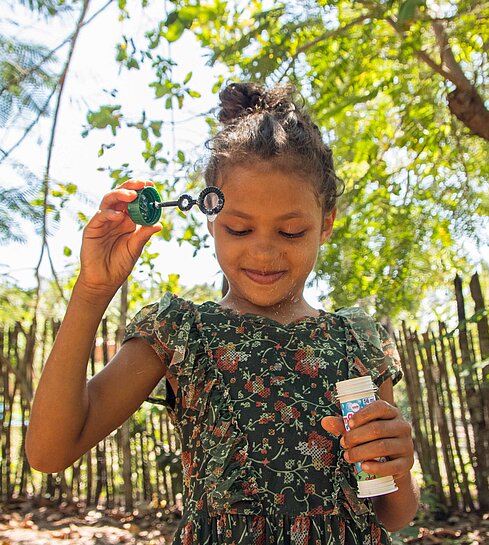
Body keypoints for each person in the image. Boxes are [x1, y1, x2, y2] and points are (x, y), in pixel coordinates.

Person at [26, 82, 419, 544]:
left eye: (291, 232)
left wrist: (397, 461)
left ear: (326, 223)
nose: (264, 250)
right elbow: (49, 451)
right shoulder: (181, 333)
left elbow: (393, 514)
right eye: (239, 228)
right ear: (212, 219)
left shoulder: (356, 341)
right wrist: (92, 291)